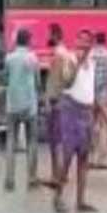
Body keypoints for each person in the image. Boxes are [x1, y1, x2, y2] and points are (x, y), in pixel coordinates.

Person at [53, 29, 97, 213]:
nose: (82, 45)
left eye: (86, 42)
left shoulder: (92, 63)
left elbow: (90, 90)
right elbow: (66, 83)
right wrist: (77, 64)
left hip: (86, 112)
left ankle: (81, 200)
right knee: (68, 155)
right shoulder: (69, 60)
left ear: (91, 45)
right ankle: (58, 197)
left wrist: (95, 117)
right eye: (80, 40)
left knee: (84, 157)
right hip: (71, 110)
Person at [3, 28, 40, 192]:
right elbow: (38, 82)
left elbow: (5, 78)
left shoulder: (9, 58)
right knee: (32, 142)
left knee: (11, 141)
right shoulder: (32, 58)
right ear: (28, 40)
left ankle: (9, 179)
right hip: (30, 106)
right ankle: (31, 178)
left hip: (12, 105)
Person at [43, 23, 76, 188]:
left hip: (56, 101)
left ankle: (56, 175)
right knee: (63, 139)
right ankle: (63, 173)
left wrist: (49, 100)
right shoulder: (68, 54)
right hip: (66, 100)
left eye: (49, 34)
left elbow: (54, 82)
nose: (47, 38)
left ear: (55, 36)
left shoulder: (57, 55)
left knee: (54, 141)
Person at [89, 32, 107, 170]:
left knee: (91, 125)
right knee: (104, 127)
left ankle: (91, 157)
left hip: (90, 96)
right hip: (104, 96)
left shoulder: (90, 55)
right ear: (105, 41)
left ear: (95, 41)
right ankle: (102, 159)